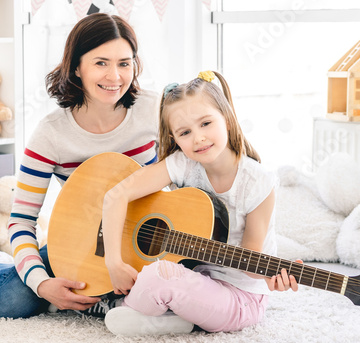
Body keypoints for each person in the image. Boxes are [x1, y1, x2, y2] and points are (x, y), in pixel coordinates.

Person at [0, 13, 161, 321]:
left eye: (124, 63)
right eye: (101, 63)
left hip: (146, 237)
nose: (115, 76)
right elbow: (21, 221)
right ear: (76, 66)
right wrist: (42, 284)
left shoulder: (154, 110)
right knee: (10, 302)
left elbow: (187, 174)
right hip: (83, 246)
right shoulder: (51, 135)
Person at [101, 71, 302, 336]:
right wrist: (113, 263)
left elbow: (252, 257)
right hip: (193, 277)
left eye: (206, 123)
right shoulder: (183, 164)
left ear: (227, 119)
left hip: (239, 299)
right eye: (185, 132)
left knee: (157, 276)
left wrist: (271, 276)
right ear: (174, 139)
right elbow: (116, 195)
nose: (198, 138)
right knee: (156, 273)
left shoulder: (258, 182)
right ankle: (165, 315)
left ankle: (130, 309)